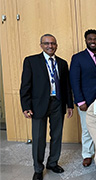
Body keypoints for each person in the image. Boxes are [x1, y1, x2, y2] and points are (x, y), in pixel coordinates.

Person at [20, 34, 74, 180]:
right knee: (38, 138)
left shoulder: (62, 63)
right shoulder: (31, 61)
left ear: (56, 45)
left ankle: (53, 162)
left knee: (57, 136)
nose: (50, 46)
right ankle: (38, 168)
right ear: (41, 45)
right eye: (47, 43)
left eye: (53, 43)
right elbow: (25, 85)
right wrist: (26, 106)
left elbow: (66, 86)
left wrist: (70, 104)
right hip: (38, 105)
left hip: (57, 102)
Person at [70, 29, 96, 167]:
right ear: (86, 40)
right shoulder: (78, 58)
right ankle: (87, 154)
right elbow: (74, 80)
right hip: (85, 100)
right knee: (87, 129)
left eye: (95, 39)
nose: (93, 41)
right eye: (90, 39)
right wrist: (80, 101)